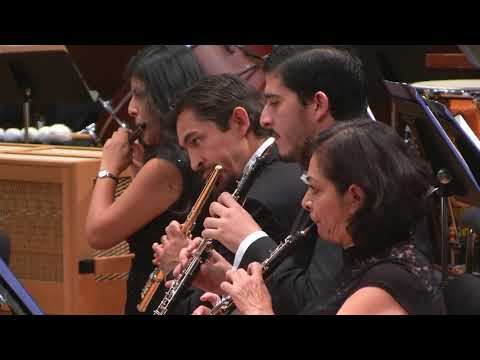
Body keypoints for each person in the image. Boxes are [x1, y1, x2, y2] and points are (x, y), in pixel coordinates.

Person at [182, 46, 369, 315]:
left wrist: (249, 240)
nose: (266, 119)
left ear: (318, 105)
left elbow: (316, 303)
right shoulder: (337, 164)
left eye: (275, 102)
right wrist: (227, 280)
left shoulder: (355, 175)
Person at [218, 119, 446, 315]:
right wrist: (224, 281)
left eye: (315, 189)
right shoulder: (363, 259)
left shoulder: (383, 288)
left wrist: (257, 309)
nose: (305, 202)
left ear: (355, 197)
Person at [152, 73, 307, 314]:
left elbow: (206, 305)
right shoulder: (271, 169)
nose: (194, 163)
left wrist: (175, 265)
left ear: (239, 122)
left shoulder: (258, 200)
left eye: (196, 141)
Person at [85, 45, 204, 315]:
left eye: (139, 96)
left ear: (166, 98)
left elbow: (98, 234)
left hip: (158, 293)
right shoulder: (184, 154)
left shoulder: (167, 166)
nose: (131, 109)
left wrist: (109, 166)